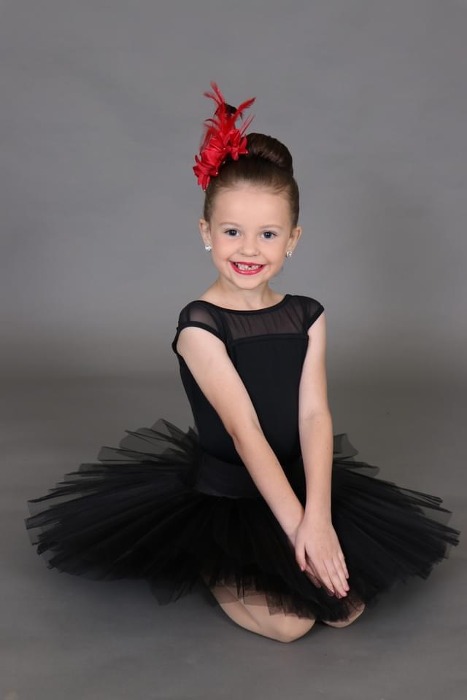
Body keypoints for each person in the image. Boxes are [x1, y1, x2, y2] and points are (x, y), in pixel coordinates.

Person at [25, 83, 460, 643]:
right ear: (206, 232)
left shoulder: (308, 315)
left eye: (268, 234)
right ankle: (209, 558)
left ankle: (298, 543)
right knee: (291, 627)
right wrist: (298, 531)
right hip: (229, 495)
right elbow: (244, 429)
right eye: (232, 232)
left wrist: (318, 517)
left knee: (347, 609)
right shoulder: (200, 324)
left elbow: (314, 416)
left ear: (292, 239)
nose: (249, 249)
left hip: (296, 483)